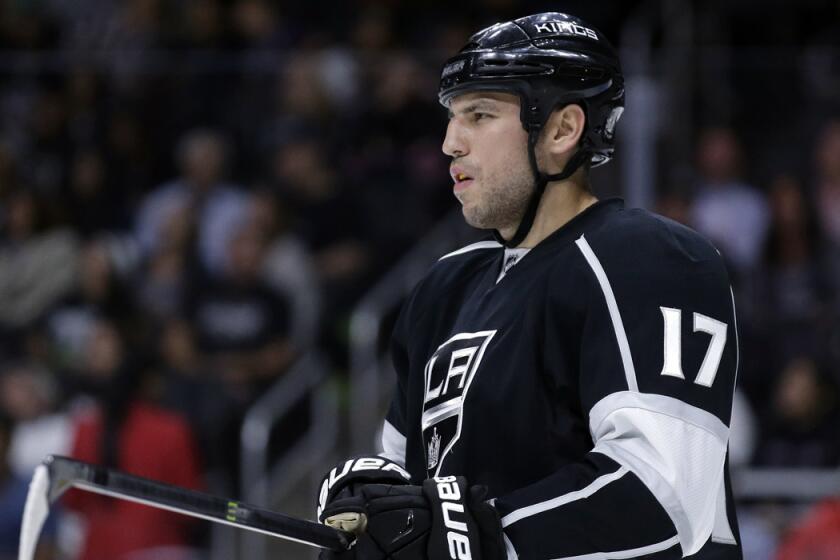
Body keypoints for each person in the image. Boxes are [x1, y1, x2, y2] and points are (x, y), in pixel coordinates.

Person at [316, 12, 742, 560]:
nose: (450, 143)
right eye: (451, 116)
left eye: (480, 114)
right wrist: (379, 521)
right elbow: (421, 505)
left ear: (563, 130)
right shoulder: (442, 290)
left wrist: (488, 538)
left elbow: (668, 493)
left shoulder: (650, 259)